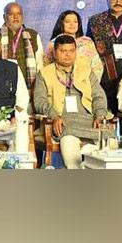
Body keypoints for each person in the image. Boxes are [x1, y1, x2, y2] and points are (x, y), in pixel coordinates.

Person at [33, 35, 108, 168]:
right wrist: (54, 116)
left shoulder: (86, 70)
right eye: (63, 51)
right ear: (54, 52)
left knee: (110, 140)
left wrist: (100, 115)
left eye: (71, 51)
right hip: (64, 122)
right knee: (68, 141)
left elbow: (99, 95)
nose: (68, 55)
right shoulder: (44, 73)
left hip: (89, 120)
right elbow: (39, 101)